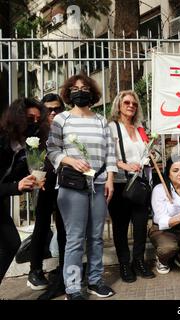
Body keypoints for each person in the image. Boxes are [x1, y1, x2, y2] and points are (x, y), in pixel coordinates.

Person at [47, 74, 117, 300]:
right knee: (75, 238)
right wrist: (71, 160)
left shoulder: (101, 120)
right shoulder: (62, 120)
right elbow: (52, 150)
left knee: (96, 237)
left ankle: (96, 281)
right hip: (72, 186)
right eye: (75, 88)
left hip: (98, 184)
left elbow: (111, 153)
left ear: (92, 92)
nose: (80, 91)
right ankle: (73, 288)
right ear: (69, 93)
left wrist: (109, 179)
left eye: (84, 87)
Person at [108, 90, 155, 283]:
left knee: (141, 225)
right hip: (120, 184)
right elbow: (107, 155)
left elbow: (147, 153)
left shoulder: (140, 128)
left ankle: (139, 261)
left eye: (134, 104)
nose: (131, 106)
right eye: (126, 102)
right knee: (120, 227)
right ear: (118, 105)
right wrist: (124, 165)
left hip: (140, 184)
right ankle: (124, 265)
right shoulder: (112, 127)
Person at [0, 98, 48, 286]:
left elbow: (18, 176)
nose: (34, 123)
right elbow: (13, 184)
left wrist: (33, 179)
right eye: (30, 118)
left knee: (12, 243)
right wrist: (15, 187)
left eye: (37, 120)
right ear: (17, 117)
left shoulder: (25, 146)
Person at [26, 93, 67, 300]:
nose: (53, 112)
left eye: (57, 108)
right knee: (40, 226)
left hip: (63, 185)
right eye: (49, 109)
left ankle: (63, 268)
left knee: (63, 228)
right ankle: (35, 270)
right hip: (42, 185)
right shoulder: (35, 130)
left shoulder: (66, 128)